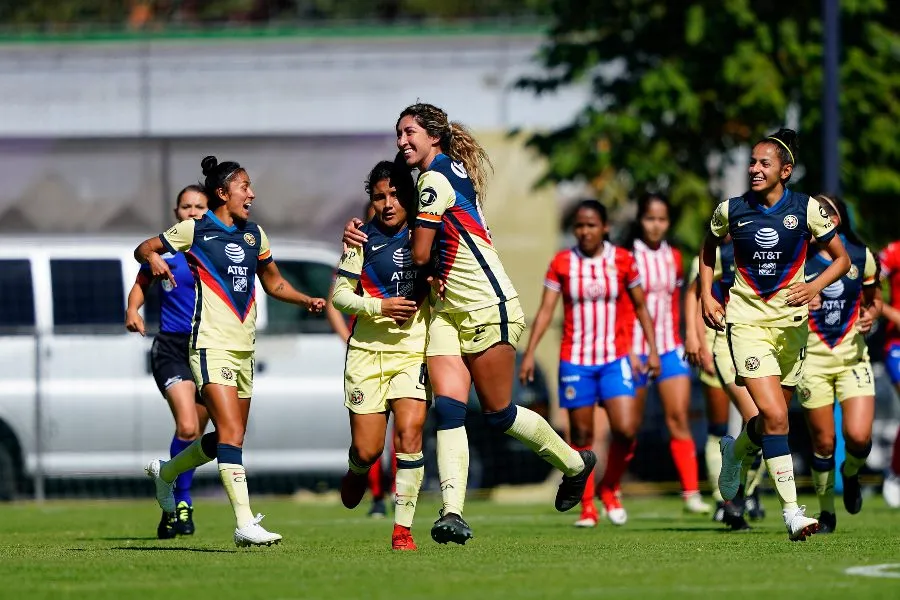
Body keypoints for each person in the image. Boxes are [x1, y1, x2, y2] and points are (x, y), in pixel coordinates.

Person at [345, 104, 595, 545]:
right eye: (398, 134)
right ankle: (453, 513)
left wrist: (399, 249)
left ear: (434, 137)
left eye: (409, 132)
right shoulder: (435, 176)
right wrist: (366, 232)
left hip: (487, 305)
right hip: (448, 311)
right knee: (449, 409)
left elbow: (420, 253)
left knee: (499, 414)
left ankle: (575, 464)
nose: (402, 140)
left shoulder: (436, 179)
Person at [137, 156, 326, 547]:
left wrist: (305, 299)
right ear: (223, 193)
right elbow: (144, 248)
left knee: (225, 436)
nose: (251, 194)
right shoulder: (195, 229)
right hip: (210, 345)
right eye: (244, 186)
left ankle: (167, 473)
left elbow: (274, 284)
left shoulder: (255, 235)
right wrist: (153, 258)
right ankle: (244, 523)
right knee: (232, 435)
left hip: (244, 350)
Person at [700, 128, 850, 541]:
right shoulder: (731, 210)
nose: (754, 169)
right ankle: (792, 513)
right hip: (746, 324)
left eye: (763, 163)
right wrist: (706, 296)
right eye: (751, 162)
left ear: (785, 171)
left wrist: (814, 287)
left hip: (792, 330)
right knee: (777, 418)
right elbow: (708, 248)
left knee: (769, 421)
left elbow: (840, 259)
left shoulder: (806, 209)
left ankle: (734, 452)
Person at [519, 199, 660, 528]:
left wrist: (652, 350)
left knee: (626, 429)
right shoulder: (562, 262)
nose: (585, 231)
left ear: (604, 227)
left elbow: (641, 307)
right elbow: (545, 311)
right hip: (576, 361)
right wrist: (529, 353)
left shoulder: (623, 260)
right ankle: (587, 507)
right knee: (581, 435)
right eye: (580, 226)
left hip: (614, 358)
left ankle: (610, 487)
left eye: (591, 225)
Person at [332, 160, 429, 551]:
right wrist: (380, 306)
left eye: (395, 195)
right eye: (379, 197)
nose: (388, 204)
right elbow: (340, 297)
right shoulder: (361, 239)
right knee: (369, 450)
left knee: (409, 435)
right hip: (367, 355)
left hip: (412, 352)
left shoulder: (426, 232)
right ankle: (357, 468)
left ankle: (402, 530)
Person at [125, 185, 210, 539]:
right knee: (187, 427)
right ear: (176, 213)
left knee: (198, 435)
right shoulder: (165, 253)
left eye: (199, 206)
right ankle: (179, 501)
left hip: (208, 349)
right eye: (186, 206)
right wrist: (133, 310)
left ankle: (173, 498)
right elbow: (140, 284)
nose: (193, 212)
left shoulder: (218, 251)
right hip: (172, 349)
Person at [798, 194, 880, 532]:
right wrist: (800, 303)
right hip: (811, 362)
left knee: (858, 437)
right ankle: (826, 512)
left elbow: (874, 300)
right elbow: (774, 304)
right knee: (824, 444)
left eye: (823, 213)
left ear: (836, 220)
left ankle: (851, 472)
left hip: (852, 359)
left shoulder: (860, 256)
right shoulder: (796, 257)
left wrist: (871, 315)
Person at [627, 193, 710, 514]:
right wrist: (627, 349)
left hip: (669, 348)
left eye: (661, 219)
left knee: (678, 418)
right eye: (650, 218)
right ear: (640, 220)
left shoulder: (674, 257)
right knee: (627, 427)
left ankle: (691, 493)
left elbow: (680, 299)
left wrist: (689, 337)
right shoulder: (626, 257)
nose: (656, 225)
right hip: (634, 350)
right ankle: (609, 492)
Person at [685, 239, 765, 530]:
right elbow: (695, 294)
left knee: (765, 423)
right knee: (728, 424)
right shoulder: (716, 254)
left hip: (760, 343)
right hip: (720, 343)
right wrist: (694, 338)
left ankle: (747, 491)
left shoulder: (772, 246)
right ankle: (725, 498)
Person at [876, 239, 900, 508]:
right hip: (897, 345)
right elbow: (867, 284)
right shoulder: (893, 252)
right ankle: (895, 471)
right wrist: (889, 312)